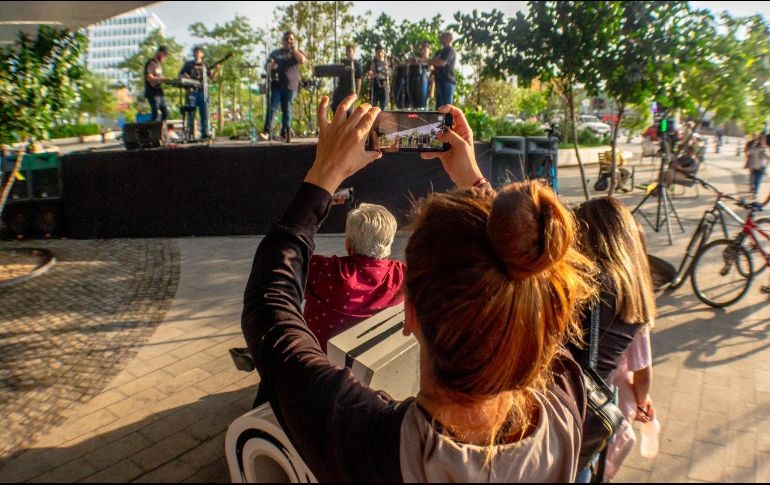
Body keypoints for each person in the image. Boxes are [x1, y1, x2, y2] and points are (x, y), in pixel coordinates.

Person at [241, 93, 594, 482]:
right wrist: (476, 183)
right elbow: (535, 286)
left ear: (409, 313)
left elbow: (270, 309)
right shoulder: (565, 400)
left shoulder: (372, 445)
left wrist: (325, 173)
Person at [570, 197, 657, 481]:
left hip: (558, 413)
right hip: (592, 418)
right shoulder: (634, 300)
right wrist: (642, 400)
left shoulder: (581, 292)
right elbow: (643, 371)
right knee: (582, 469)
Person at [304, 203, 405, 351]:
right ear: (389, 243)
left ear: (348, 243)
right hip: (371, 358)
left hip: (318, 358)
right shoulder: (403, 276)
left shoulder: (321, 269)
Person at [260, 31, 307, 141]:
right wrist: (272, 66)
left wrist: (294, 49)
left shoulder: (296, 52)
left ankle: (285, 131)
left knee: (287, 109)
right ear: (283, 40)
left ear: (294, 41)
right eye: (286, 39)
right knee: (272, 107)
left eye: (291, 39)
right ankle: (267, 131)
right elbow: (266, 67)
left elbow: (302, 60)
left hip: (291, 85)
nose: (288, 41)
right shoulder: (275, 53)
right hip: (277, 85)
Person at [179, 46, 219, 140]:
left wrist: (217, 70)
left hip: (203, 92)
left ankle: (205, 133)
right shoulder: (188, 64)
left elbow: (212, 78)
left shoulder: (205, 64)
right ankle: (189, 133)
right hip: (191, 92)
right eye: (195, 52)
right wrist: (189, 78)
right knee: (190, 114)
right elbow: (180, 75)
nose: (196, 54)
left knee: (205, 113)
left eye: (198, 52)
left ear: (202, 54)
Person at [331, 45, 362, 113]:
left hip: (350, 90)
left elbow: (359, 80)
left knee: (348, 111)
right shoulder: (342, 62)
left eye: (349, 51)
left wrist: (357, 94)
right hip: (341, 89)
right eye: (346, 51)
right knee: (335, 106)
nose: (347, 53)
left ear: (353, 52)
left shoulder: (357, 64)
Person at [430, 32, 457, 109]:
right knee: (439, 108)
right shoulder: (439, 52)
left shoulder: (450, 50)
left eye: (443, 37)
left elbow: (442, 63)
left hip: (447, 81)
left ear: (449, 39)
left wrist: (432, 61)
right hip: (439, 82)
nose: (441, 38)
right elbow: (433, 63)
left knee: (446, 107)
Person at [144, 46, 169, 123]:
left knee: (165, 112)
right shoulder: (151, 63)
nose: (165, 58)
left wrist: (166, 80)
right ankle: (151, 128)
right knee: (156, 114)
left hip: (159, 92)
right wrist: (161, 78)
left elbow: (159, 77)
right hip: (152, 92)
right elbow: (149, 77)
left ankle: (162, 128)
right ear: (159, 53)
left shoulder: (159, 65)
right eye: (164, 55)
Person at [409, 42, 433, 110]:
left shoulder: (431, 62)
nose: (423, 51)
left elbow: (433, 77)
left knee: (424, 108)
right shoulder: (416, 61)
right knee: (413, 109)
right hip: (414, 87)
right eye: (422, 49)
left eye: (425, 49)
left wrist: (432, 91)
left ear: (429, 51)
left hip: (425, 87)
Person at [368, 45, 390, 110]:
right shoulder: (372, 62)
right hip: (374, 88)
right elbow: (369, 74)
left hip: (385, 88)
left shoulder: (387, 62)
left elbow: (390, 74)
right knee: (373, 108)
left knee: (384, 108)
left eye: (382, 52)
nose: (380, 54)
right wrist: (376, 74)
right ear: (375, 53)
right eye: (378, 52)